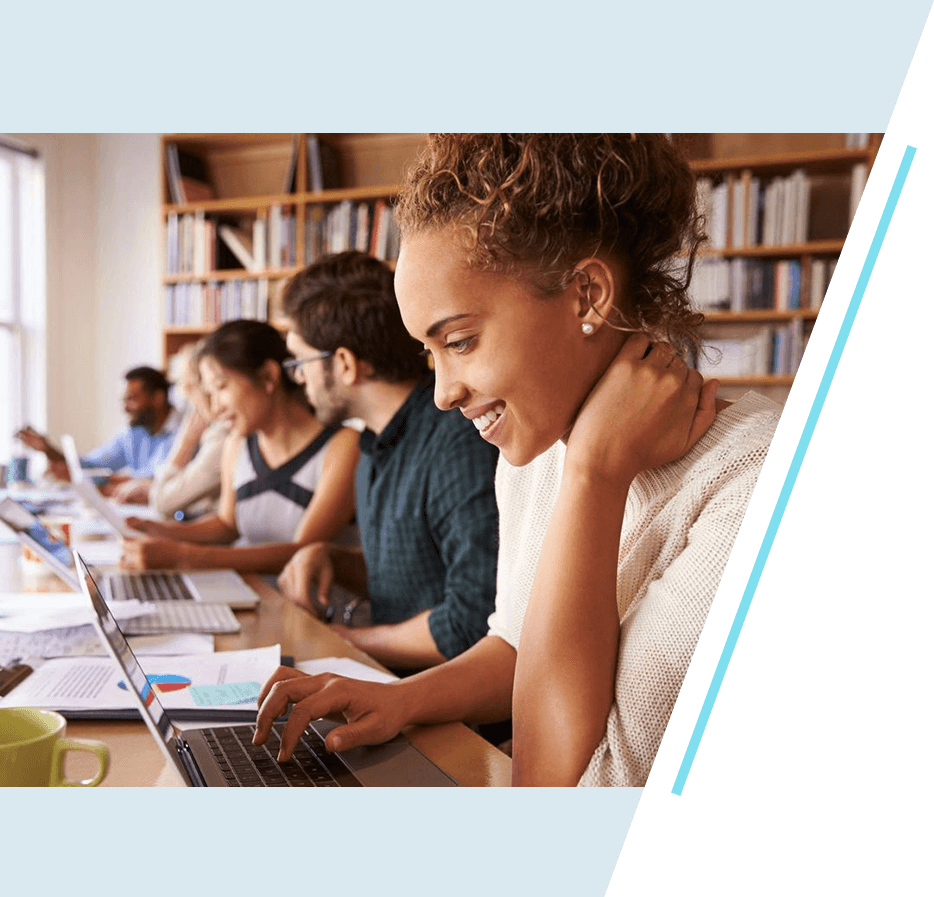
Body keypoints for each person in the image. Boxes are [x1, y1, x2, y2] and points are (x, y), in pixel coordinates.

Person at [252, 134, 781, 787]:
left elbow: (561, 783)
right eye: (430, 353)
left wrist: (594, 473)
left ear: (587, 294)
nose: (443, 392)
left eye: (462, 340)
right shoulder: (534, 440)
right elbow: (517, 647)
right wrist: (399, 700)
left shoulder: (749, 479)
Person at [275, 250, 500, 672]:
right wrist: (335, 560)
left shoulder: (458, 440)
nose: (298, 377)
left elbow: (473, 622)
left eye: (300, 362)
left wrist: (344, 643)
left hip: (450, 716)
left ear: (343, 363)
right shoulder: (374, 441)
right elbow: (419, 572)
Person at [120, 319, 359, 575]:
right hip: (254, 597)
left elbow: (299, 553)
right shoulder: (238, 445)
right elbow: (226, 525)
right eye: (210, 393)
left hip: (309, 611)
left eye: (221, 387)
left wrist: (185, 556)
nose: (215, 407)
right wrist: (158, 531)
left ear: (268, 377)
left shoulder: (343, 446)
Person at [16, 366, 181, 498]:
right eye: (124, 400)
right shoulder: (133, 433)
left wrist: (101, 481)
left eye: (132, 399)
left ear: (158, 398)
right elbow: (92, 465)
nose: (125, 407)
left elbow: (157, 479)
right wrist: (48, 449)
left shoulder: (181, 430)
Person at [148, 339, 226, 520]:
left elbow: (162, 501)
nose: (185, 395)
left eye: (189, 386)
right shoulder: (211, 430)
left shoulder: (222, 435)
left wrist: (185, 442)